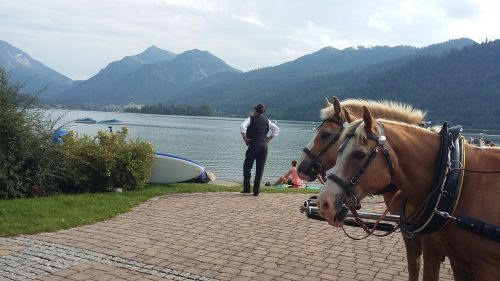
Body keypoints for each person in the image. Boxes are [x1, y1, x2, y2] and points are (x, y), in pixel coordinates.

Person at [240, 103, 279, 196]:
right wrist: (269, 139)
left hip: (254, 145)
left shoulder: (251, 119)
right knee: (260, 169)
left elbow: (242, 127)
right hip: (264, 146)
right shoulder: (267, 120)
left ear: (255, 111)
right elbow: (276, 129)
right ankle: (256, 191)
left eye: (254, 110)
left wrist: (245, 138)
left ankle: (246, 188)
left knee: (247, 166)